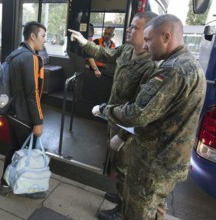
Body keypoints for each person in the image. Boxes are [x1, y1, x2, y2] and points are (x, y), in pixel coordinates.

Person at [96, 14, 206, 219]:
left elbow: (138, 114)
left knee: (137, 211)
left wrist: (105, 110)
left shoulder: (171, 71)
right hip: (169, 161)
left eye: (148, 40)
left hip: (152, 163)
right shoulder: (190, 64)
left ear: (166, 37)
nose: (146, 46)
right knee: (155, 209)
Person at [68, 11, 158, 220]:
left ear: (148, 32)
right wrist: (84, 42)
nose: (128, 29)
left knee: (126, 169)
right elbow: (105, 54)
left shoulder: (150, 65)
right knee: (117, 164)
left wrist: (124, 136)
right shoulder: (127, 50)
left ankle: (122, 210)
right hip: (113, 117)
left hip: (128, 127)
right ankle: (119, 194)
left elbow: (140, 109)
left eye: (134, 27)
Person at [0, 21, 46, 198]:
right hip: (24, 116)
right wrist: (38, 121)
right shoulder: (30, 58)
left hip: (11, 112)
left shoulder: (14, 54)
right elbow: (32, 93)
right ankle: (26, 187)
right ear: (32, 36)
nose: (44, 41)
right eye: (42, 36)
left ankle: (5, 184)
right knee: (27, 153)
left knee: (14, 148)